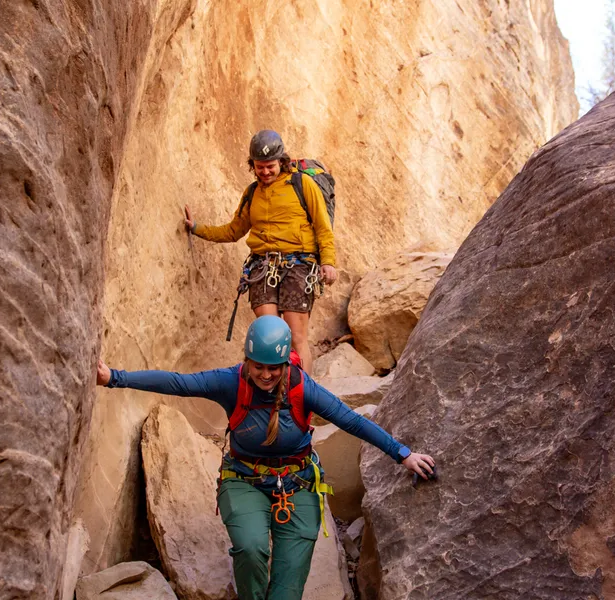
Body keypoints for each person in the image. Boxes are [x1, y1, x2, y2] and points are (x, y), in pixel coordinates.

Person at [96, 315, 435, 600]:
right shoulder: (231, 382)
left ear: (286, 361)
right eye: (259, 366)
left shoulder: (303, 388)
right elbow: (179, 383)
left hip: (298, 484)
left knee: (287, 591)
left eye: (275, 367)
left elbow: (351, 420)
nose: (267, 375)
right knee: (251, 547)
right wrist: (114, 378)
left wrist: (403, 454)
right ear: (247, 361)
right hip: (244, 480)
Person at [184, 130, 336, 373]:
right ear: (252, 165)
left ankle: (303, 399)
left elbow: (322, 227)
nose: (265, 172)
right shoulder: (252, 193)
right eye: (259, 167)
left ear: (281, 162)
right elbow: (234, 231)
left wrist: (328, 262)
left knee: (296, 339)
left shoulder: (302, 184)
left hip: (299, 266)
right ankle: (274, 396)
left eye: (270, 166)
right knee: (270, 336)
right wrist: (197, 228)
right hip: (263, 267)